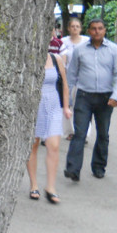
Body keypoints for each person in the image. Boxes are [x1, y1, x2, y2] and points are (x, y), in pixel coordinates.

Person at [64, 18, 117, 181]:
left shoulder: (114, 50)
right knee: (80, 133)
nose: (97, 31)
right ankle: (73, 169)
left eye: (100, 28)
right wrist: (68, 100)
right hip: (84, 96)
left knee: (103, 134)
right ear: (89, 31)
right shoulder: (80, 50)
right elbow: (71, 76)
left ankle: (99, 167)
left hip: (106, 99)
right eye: (93, 29)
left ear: (105, 30)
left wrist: (115, 97)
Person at [27, 52, 71, 204]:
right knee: (33, 145)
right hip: (34, 107)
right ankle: (34, 185)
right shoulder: (28, 57)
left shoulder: (55, 58)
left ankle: (51, 187)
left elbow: (64, 83)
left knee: (54, 145)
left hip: (53, 105)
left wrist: (66, 107)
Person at [60, 17, 90, 140]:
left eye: (77, 26)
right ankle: (69, 132)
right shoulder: (63, 42)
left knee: (83, 105)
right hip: (67, 77)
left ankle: (83, 132)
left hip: (83, 77)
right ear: (68, 28)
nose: (75, 29)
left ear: (81, 28)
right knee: (67, 103)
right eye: (72, 26)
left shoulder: (86, 41)